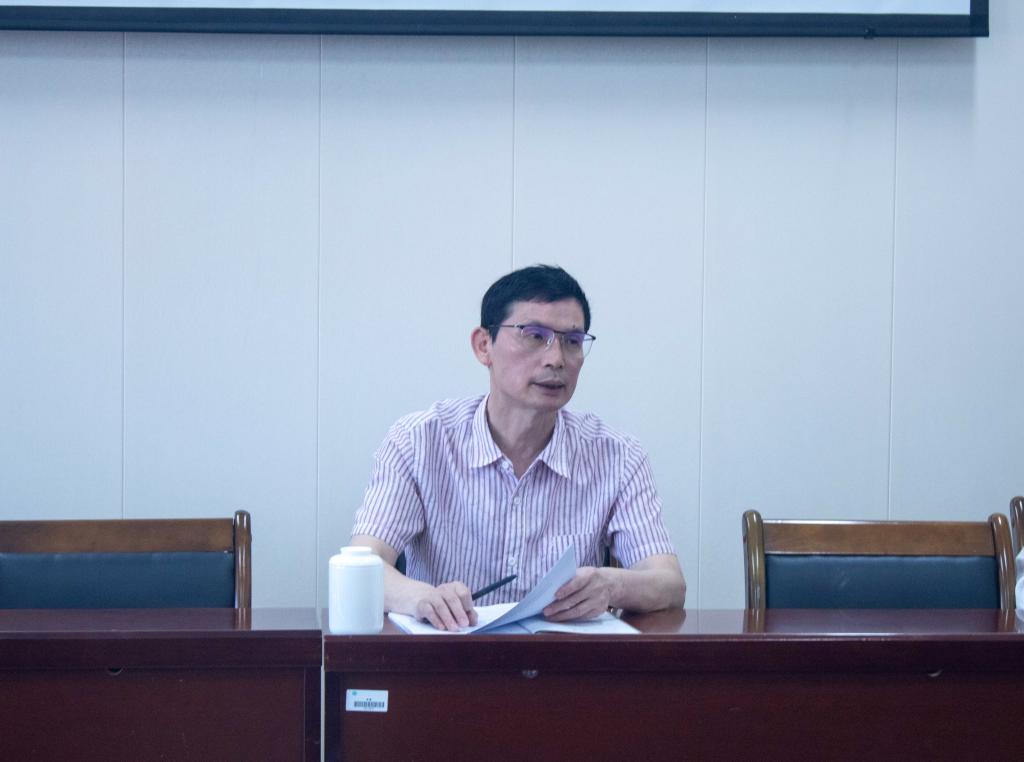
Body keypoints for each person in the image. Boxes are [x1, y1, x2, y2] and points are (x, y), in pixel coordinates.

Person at [351, 264, 686, 631]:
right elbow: (361, 563)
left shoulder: (617, 456)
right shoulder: (419, 442)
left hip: (564, 662)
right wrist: (419, 597)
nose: (556, 358)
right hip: (449, 657)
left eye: (572, 341)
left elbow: (669, 584)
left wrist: (612, 586)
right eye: (534, 336)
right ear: (484, 346)